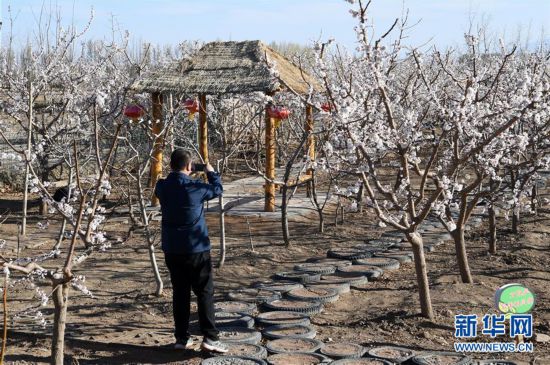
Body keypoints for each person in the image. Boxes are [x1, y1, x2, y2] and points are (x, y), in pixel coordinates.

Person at [154, 149, 227, 353]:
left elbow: (165, 186)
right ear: (189, 167)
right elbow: (218, 189)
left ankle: (181, 338)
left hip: (172, 249)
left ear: (171, 166)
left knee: (180, 293)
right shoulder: (196, 187)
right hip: (196, 249)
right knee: (204, 292)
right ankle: (210, 338)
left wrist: (185, 171)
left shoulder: (161, 187)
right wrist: (210, 172)